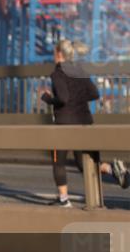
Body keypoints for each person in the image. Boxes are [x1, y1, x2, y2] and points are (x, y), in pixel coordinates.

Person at [41, 39, 127, 207]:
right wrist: (78, 99)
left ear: (59, 54)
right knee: (84, 163)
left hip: (65, 125)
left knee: (58, 162)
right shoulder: (79, 70)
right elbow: (94, 93)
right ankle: (112, 170)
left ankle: (64, 200)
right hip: (84, 122)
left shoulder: (58, 73)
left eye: (53, 53)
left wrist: (48, 99)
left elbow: (64, 98)